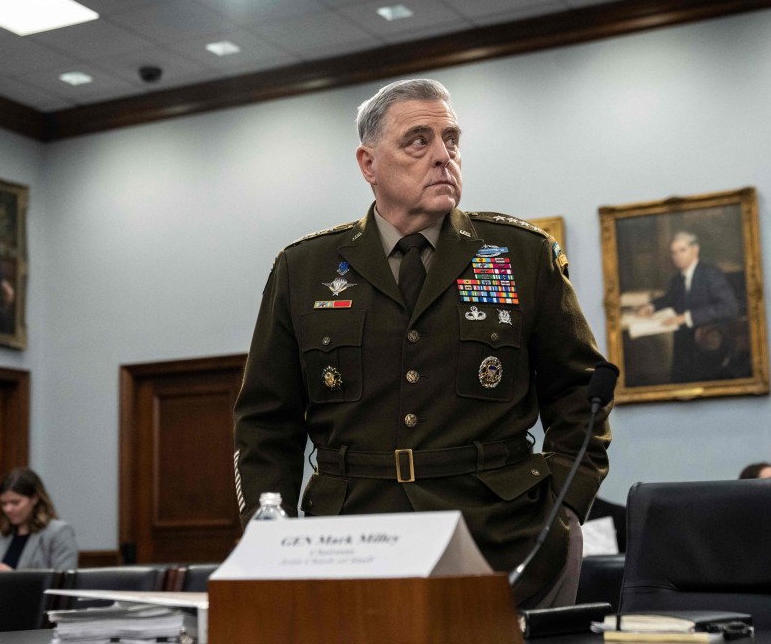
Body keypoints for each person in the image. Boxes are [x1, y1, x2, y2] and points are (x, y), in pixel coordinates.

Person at [232, 78, 612, 608]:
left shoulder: (520, 255)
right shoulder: (304, 269)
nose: (443, 156)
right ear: (368, 164)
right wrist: (268, 530)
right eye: (419, 140)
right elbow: (266, 420)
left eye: (451, 139)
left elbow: (581, 395)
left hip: (503, 534)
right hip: (352, 539)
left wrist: (565, 508)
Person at [637, 231, 737, 383]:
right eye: (673, 252)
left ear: (695, 250)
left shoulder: (710, 274)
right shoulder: (678, 279)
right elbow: (670, 298)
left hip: (709, 345)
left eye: (682, 250)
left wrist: (686, 317)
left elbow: (728, 307)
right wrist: (651, 306)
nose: (677, 256)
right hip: (683, 348)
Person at [0, 466, 79, 576]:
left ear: (34, 499)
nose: (8, 509)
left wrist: (12, 577)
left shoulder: (58, 532)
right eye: (4, 504)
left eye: (15, 503)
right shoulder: (1, 537)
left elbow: (63, 582)